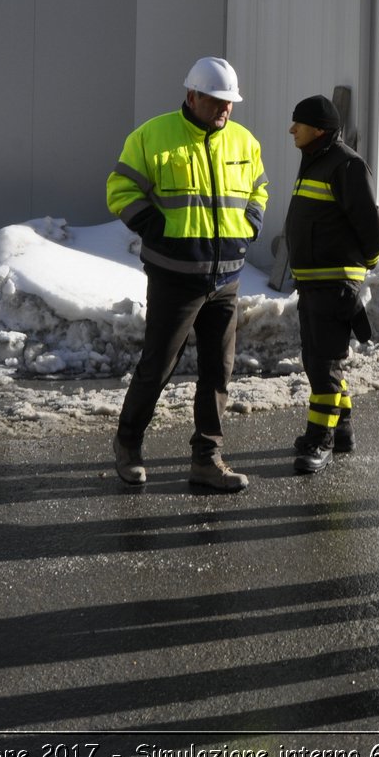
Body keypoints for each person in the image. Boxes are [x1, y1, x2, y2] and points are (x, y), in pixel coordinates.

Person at [106, 57, 269, 491]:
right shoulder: (153, 136)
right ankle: (128, 444)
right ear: (192, 96)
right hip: (175, 277)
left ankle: (207, 458)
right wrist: (157, 230)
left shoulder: (243, 141)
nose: (224, 109)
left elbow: (259, 188)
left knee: (219, 371)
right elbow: (119, 190)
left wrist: (250, 224)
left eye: (230, 102)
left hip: (226, 280)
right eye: (216, 101)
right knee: (158, 365)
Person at [284, 94, 379, 475]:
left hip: (334, 286)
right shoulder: (315, 162)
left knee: (323, 364)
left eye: (299, 123)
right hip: (313, 286)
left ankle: (320, 440)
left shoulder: (346, 164)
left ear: (320, 129)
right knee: (317, 360)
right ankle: (341, 430)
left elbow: (372, 230)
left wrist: (356, 276)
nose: (291, 129)